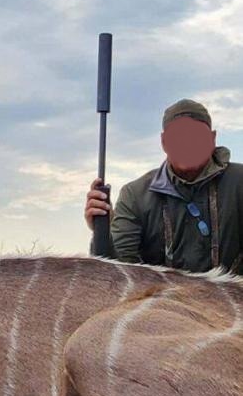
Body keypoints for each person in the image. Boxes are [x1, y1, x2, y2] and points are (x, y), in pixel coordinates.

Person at [84, 99, 243, 272]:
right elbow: (120, 270)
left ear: (212, 139)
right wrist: (103, 233)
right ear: (164, 142)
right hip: (163, 298)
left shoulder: (238, 182)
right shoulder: (135, 194)